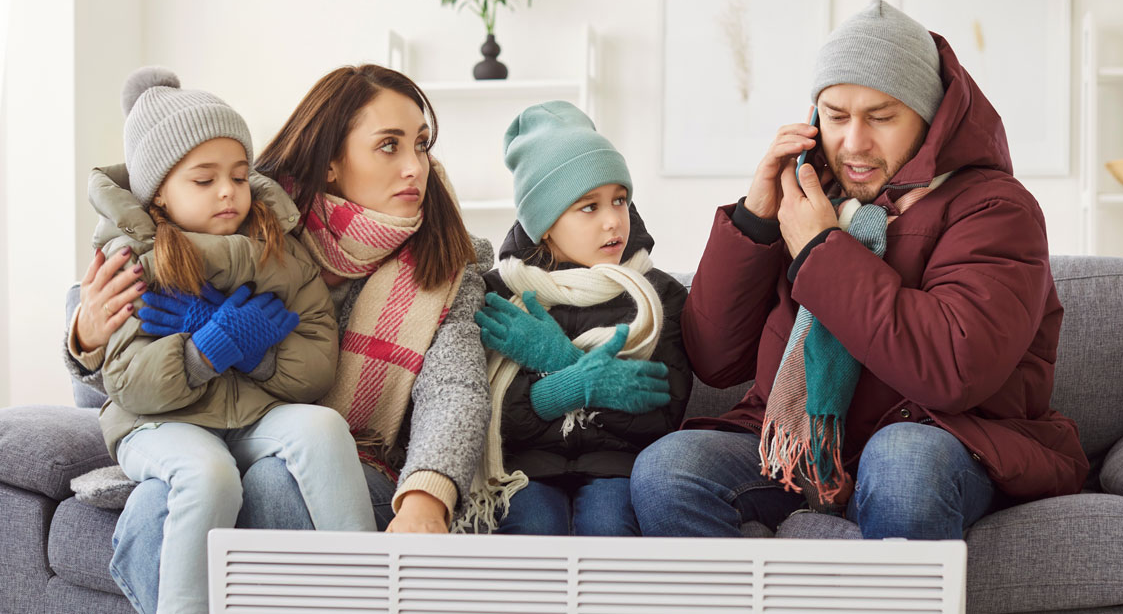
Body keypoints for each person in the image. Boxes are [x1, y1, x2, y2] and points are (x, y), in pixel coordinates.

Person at [630, 0, 1089, 541]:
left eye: (882, 116)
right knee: (668, 470)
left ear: (931, 116)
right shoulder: (805, 198)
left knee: (902, 463)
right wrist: (755, 221)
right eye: (836, 115)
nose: (853, 142)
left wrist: (821, 251)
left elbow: (951, 369)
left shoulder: (996, 209)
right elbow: (715, 359)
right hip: (800, 445)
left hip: (949, 436)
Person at [65, 64, 492, 612]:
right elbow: (121, 350)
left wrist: (427, 496)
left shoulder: (441, 262)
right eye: (389, 145)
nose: (416, 166)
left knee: (270, 481)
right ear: (332, 163)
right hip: (190, 424)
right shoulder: (261, 219)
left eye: (423, 144)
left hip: (342, 450)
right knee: (161, 500)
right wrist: (85, 338)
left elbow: (455, 388)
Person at [82, 67, 375, 613]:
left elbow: (316, 363)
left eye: (240, 176)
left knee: (322, 425)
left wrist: (260, 353)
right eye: (203, 179)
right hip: (162, 423)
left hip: (254, 414)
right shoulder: (133, 262)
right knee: (208, 474)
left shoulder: (279, 251)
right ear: (160, 194)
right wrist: (204, 351)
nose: (228, 191)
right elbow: (126, 383)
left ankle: (364, 592)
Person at [463, 101, 691, 536]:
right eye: (589, 206)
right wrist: (578, 382)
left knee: (608, 527)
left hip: (619, 469)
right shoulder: (497, 294)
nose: (613, 221)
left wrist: (559, 360)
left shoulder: (657, 295)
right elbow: (482, 414)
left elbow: (660, 412)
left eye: (620, 200)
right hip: (521, 469)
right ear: (545, 222)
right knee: (534, 528)